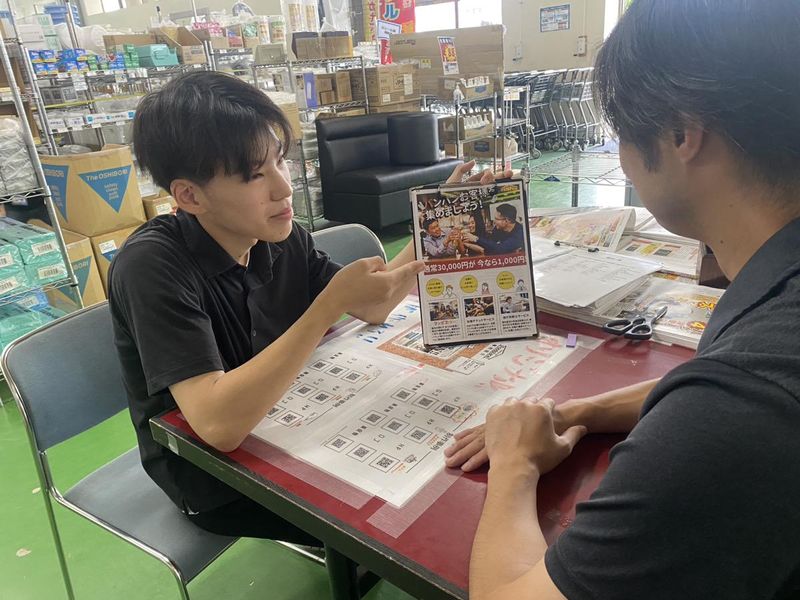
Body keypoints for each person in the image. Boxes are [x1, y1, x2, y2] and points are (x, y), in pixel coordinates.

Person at [447, 1, 800, 598]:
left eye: (622, 134)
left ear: (681, 134)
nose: (622, 160)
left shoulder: (742, 410)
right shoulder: (770, 304)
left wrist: (514, 463)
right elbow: (715, 384)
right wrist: (577, 411)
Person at [108, 70, 509, 542]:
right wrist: (325, 307)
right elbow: (217, 425)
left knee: (463, 469)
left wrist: (438, 222)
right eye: (254, 175)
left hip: (293, 425)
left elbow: (373, 304)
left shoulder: (277, 236)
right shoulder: (152, 266)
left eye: (280, 161)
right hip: (216, 479)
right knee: (445, 519)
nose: (283, 188)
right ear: (190, 195)